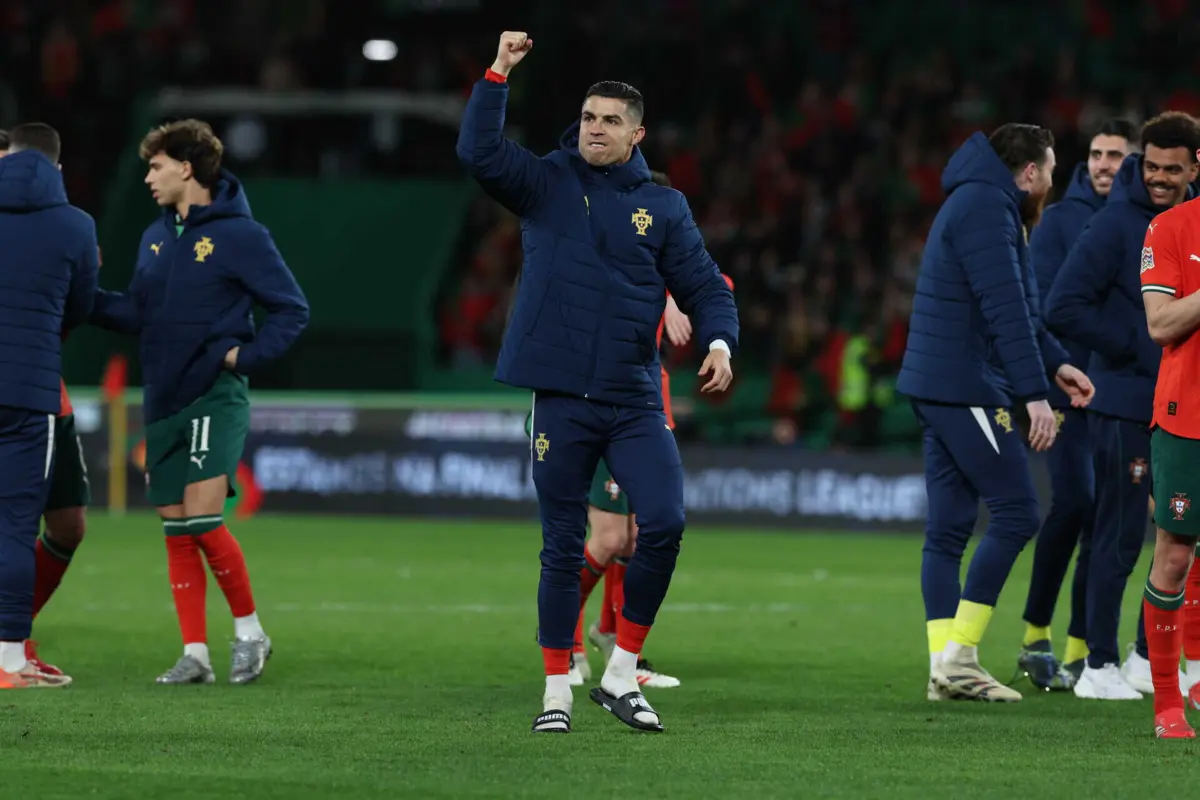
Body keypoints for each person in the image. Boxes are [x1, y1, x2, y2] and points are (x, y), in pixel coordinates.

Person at [457, 32, 739, 734]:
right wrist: (499, 73)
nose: (594, 129)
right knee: (562, 543)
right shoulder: (545, 182)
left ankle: (620, 673)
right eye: (588, 117)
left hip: (633, 395)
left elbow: (704, 283)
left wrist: (721, 340)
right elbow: (478, 154)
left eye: (610, 121)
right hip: (559, 395)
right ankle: (556, 691)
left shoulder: (662, 207)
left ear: (636, 134)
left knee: (665, 523)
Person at [89, 119, 309, 685]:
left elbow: (291, 309)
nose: (147, 178)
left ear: (187, 168)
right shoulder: (155, 237)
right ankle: (196, 654)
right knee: (177, 527)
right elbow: (137, 313)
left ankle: (250, 633)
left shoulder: (242, 236)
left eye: (156, 166)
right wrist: (80, 299)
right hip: (162, 395)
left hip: (214, 394)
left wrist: (245, 358)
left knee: (205, 519)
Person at [896, 123, 1094, 703]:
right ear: (1029, 172)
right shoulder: (989, 207)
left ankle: (943, 667)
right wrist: (1035, 396)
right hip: (964, 385)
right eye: (1051, 173)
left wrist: (1055, 366)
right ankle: (960, 657)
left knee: (950, 528)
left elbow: (1025, 307)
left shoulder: (982, 200)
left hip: (938, 382)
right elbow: (1004, 308)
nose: (1052, 185)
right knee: (1017, 512)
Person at [1047, 112, 1200, 701]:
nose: (1159, 179)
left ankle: (1142, 655)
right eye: (1152, 166)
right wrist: (1135, 347)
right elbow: (1062, 305)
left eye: (1172, 169)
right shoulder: (1116, 227)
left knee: (1173, 540)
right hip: (1126, 401)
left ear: (1193, 169)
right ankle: (1096, 662)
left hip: (1179, 406)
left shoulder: (1187, 223)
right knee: (1117, 534)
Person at [570, 170, 734, 692]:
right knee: (612, 535)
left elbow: (715, 288)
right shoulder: (592, 245)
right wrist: (662, 294)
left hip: (644, 405)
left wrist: (673, 292)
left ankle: (612, 639)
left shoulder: (666, 252)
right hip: (597, 403)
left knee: (639, 536)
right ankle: (563, 634)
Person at [1017, 118, 1138, 690]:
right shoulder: (1062, 221)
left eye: (1116, 154)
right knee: (1076, 502)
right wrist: (1050, 375)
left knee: (1107, 518)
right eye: (1095, 153)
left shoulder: (1148, 224)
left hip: (1117, 387)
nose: (1103, 164)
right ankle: (1035, 632)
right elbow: (1041, 307)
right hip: (1065, 386)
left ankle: (1081, 645)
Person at [0, 122, 99, 688]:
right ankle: (10, 657)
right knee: (16, 526)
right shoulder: (74, 225)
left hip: (38, 391)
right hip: (28, 392)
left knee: (61, 524)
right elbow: (81, 305)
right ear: (56, 169)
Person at [1137, 159, 1200, 737]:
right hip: (1188, 419)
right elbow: (1161, 324)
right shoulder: (1172, 228)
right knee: (1176, 555)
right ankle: (1166, 703)